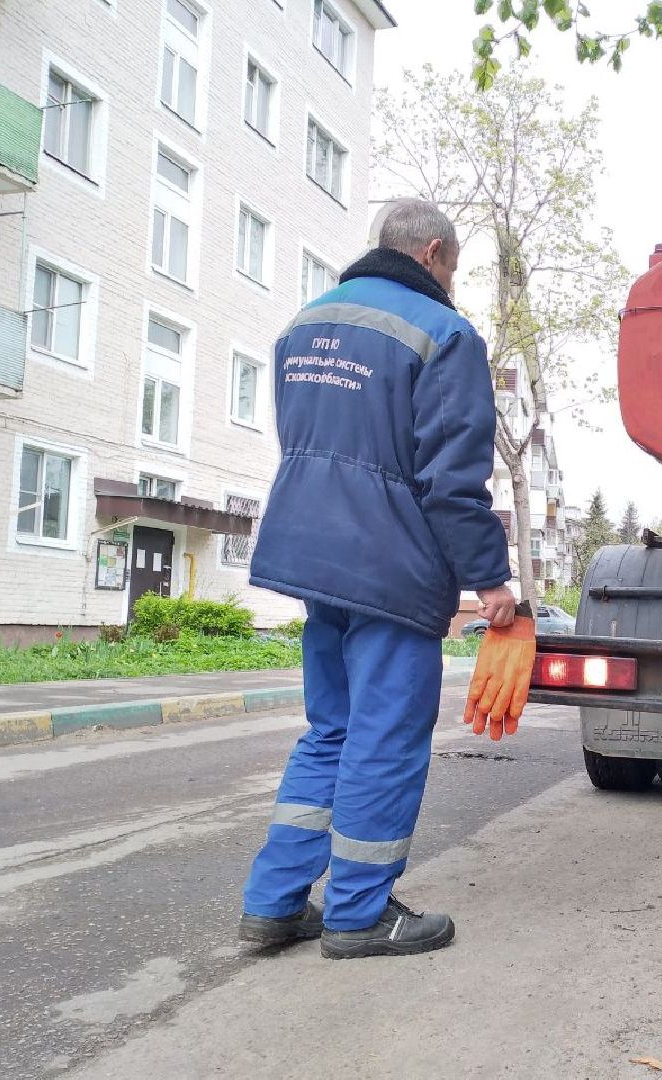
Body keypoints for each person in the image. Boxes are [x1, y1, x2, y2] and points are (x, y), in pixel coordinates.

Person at [239, 198, 518, 960]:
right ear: (432, 253)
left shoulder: (301, 323)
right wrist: (491, 579)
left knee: (329, 730)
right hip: (390, 568)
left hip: (311, 558)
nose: (453, 283)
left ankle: (273, 904)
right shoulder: (445, 334)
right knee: (385, 740)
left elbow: (307, 441)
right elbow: (453, 479)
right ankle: (359, 912)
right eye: (454, 268)